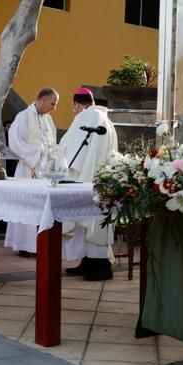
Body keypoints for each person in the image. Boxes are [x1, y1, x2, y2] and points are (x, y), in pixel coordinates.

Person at [61, 89, 117, 281]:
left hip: (87, 177)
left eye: (74, 107)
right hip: (99, 177)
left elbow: (69, 146)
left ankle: (101, 266)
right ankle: (89, 261)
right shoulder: (105, 119)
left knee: (92, 220)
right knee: (94, 222)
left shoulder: (87, 116)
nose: (75, 111)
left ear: (77, 104)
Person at [4, 88, 59, 255]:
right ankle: (24, 245)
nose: (54, 108)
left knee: (42, 208)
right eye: (53, 103)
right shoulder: (22, 117)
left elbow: (53, 143)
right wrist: (36, 155)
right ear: (42, 100)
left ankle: (39, 243)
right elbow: (15, 142)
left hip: (44, 172)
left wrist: (51, 157)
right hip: (28, 168)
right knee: (25, 206)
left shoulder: (49, 120)